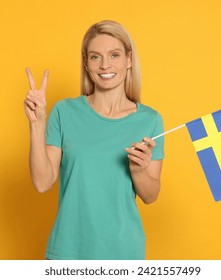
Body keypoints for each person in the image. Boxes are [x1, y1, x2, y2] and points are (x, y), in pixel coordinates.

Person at [24, 20, 164, 260]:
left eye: (115, 55)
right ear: (86, 64)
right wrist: (37, 124)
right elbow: (42, 182)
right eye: (95, 57)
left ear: (129, 60)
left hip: (123, 254)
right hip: (67, 252)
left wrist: (138, 171)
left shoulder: (149, 120)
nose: (105, 65)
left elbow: (150, 196)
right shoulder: (64, 112)